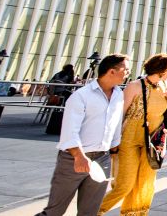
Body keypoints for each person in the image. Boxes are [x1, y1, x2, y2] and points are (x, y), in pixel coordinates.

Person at [37, 54, 130, 216]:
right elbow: (69, 131)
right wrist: (79, 156)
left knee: (90, 211)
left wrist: (115, 150)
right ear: (111, 71)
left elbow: (115, 125)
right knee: (55, 211)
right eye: (125, 70)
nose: (128, 73)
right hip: (74, 159)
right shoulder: (81, 96)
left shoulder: (118, 95)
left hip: (102, 158)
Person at [99, 53, 167, 215]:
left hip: (154, 138)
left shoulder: (163, 86)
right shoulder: (135, 86)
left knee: (146, 181)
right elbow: (120, 114)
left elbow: (159, 109)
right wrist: (113, 141)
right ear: (162, 69)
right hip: (130, 136)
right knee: (125, 184)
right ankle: (94, 210)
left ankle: (135, 213)